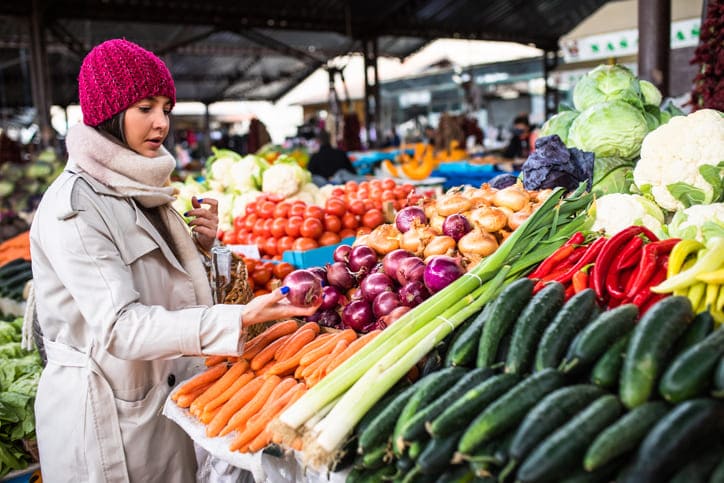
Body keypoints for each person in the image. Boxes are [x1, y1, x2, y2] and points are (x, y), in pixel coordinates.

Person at [28, 39, 319, 482]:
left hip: (160, 397)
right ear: (109, 112)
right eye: (145, 107)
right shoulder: (77, 206)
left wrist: (198, 249)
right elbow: (120, 326)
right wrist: (236, 319)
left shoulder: (140, 186)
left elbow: (154, 283)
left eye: (166, 107)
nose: (161, 122)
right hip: (109, 417)